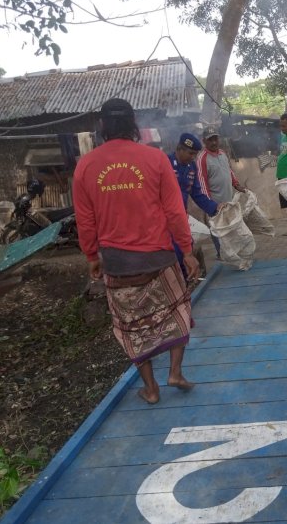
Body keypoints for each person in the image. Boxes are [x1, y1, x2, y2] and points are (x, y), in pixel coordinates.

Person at [73, 98, 198, 405]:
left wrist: (91, 256)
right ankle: (176, 372)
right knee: (178, 311)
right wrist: (188, 250)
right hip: (160, 258)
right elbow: (175, 212)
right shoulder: (155, 159)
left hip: (117, 264)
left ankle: (151, 388)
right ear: (134, 126)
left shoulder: (86, 166)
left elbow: (84, 219)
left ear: (102, 126)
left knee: (131, 327)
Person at [168, 133, 223, 278]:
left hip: (181, 217)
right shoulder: (166, 163)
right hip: (165, 220)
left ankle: (185, 286)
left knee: (186, 249)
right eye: (190, 153)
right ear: (180, 149)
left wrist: (214, 207)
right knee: (173, 255)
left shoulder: (192, 167)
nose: (193, 157)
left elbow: (197, 193)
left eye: (195, 154)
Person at [197, 126, 245, 257]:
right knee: (218, 230)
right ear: (204, 141)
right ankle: (221, 254)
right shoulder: (202, 158)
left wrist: (237, 184)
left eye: (215, 139)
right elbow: (202, 183)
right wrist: (210, 205)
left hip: (228, 200)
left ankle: (234, 252)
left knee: (231, 228)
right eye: (210, 140)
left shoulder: (223, 153)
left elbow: (229, 171)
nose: (213, 142)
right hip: (215, 204)